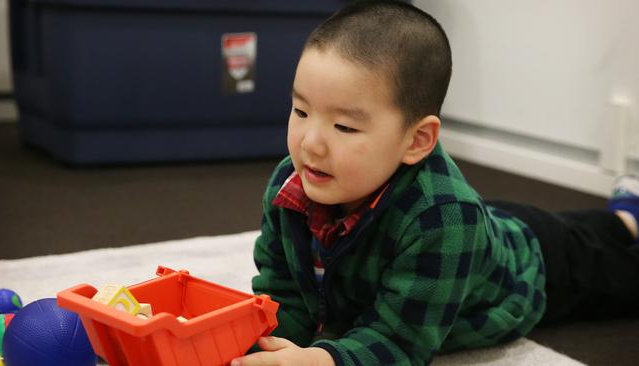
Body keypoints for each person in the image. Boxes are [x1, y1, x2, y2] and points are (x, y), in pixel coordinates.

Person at [231, 1, 639, 365]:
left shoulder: (444, 220)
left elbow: (400, 341)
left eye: (343, 126)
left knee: (611, 268)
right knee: (595, 227)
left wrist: (326, 360)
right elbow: (282, 288)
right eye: (301, 111)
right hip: (490, 225)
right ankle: (626, 213)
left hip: (534, 269)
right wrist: (264, 342)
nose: (311, 143)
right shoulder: (291, 184)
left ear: (417, 140)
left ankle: (626, 219)